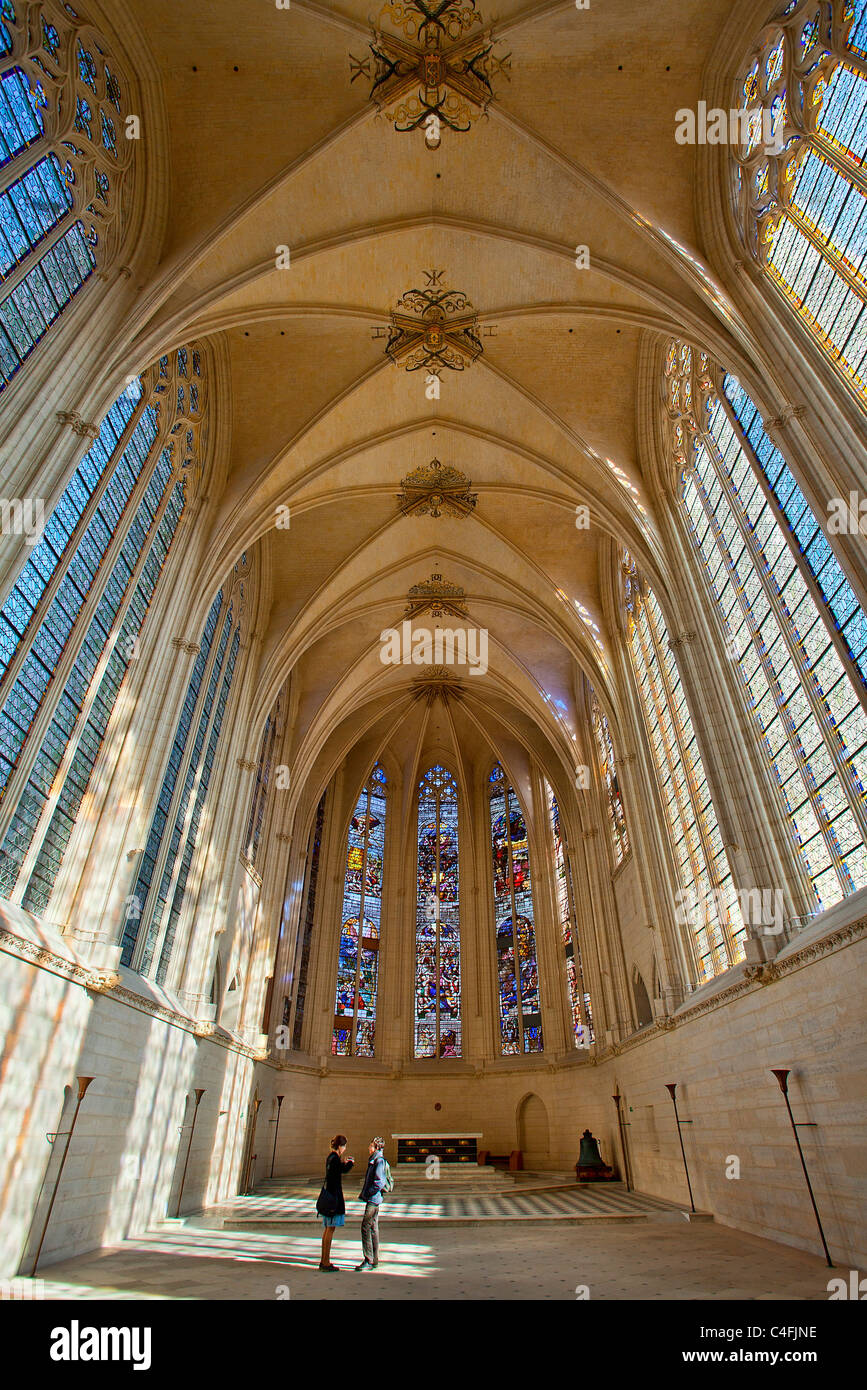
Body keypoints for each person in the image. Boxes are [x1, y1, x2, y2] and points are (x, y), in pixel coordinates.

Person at [318, 1134, 354, 1271]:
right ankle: (325, 1262)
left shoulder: (331, 1157)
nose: (345, 1148)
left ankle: (324, 1260)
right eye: (344, 1146)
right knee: (330, 1229)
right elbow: (341, 1172)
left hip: (329, 1197)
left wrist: (343, 1164)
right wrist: (350, 1164)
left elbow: (337, 1171)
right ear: (340, 1146)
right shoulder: (334, 1159)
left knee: (328, 1229)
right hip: (333, 1198)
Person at [355, 1136, 386, 1272]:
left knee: (365, 1228)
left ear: (376, 1147)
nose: (369, 1147)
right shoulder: (375, 1159)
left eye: (371, 1145)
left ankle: (368, 1259)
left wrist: (368, 1193)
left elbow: (379, 1182)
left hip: (373, 1200)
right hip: (374, 1199)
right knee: (373, 1228)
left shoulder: (378, 1161)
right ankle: (375, 1259)